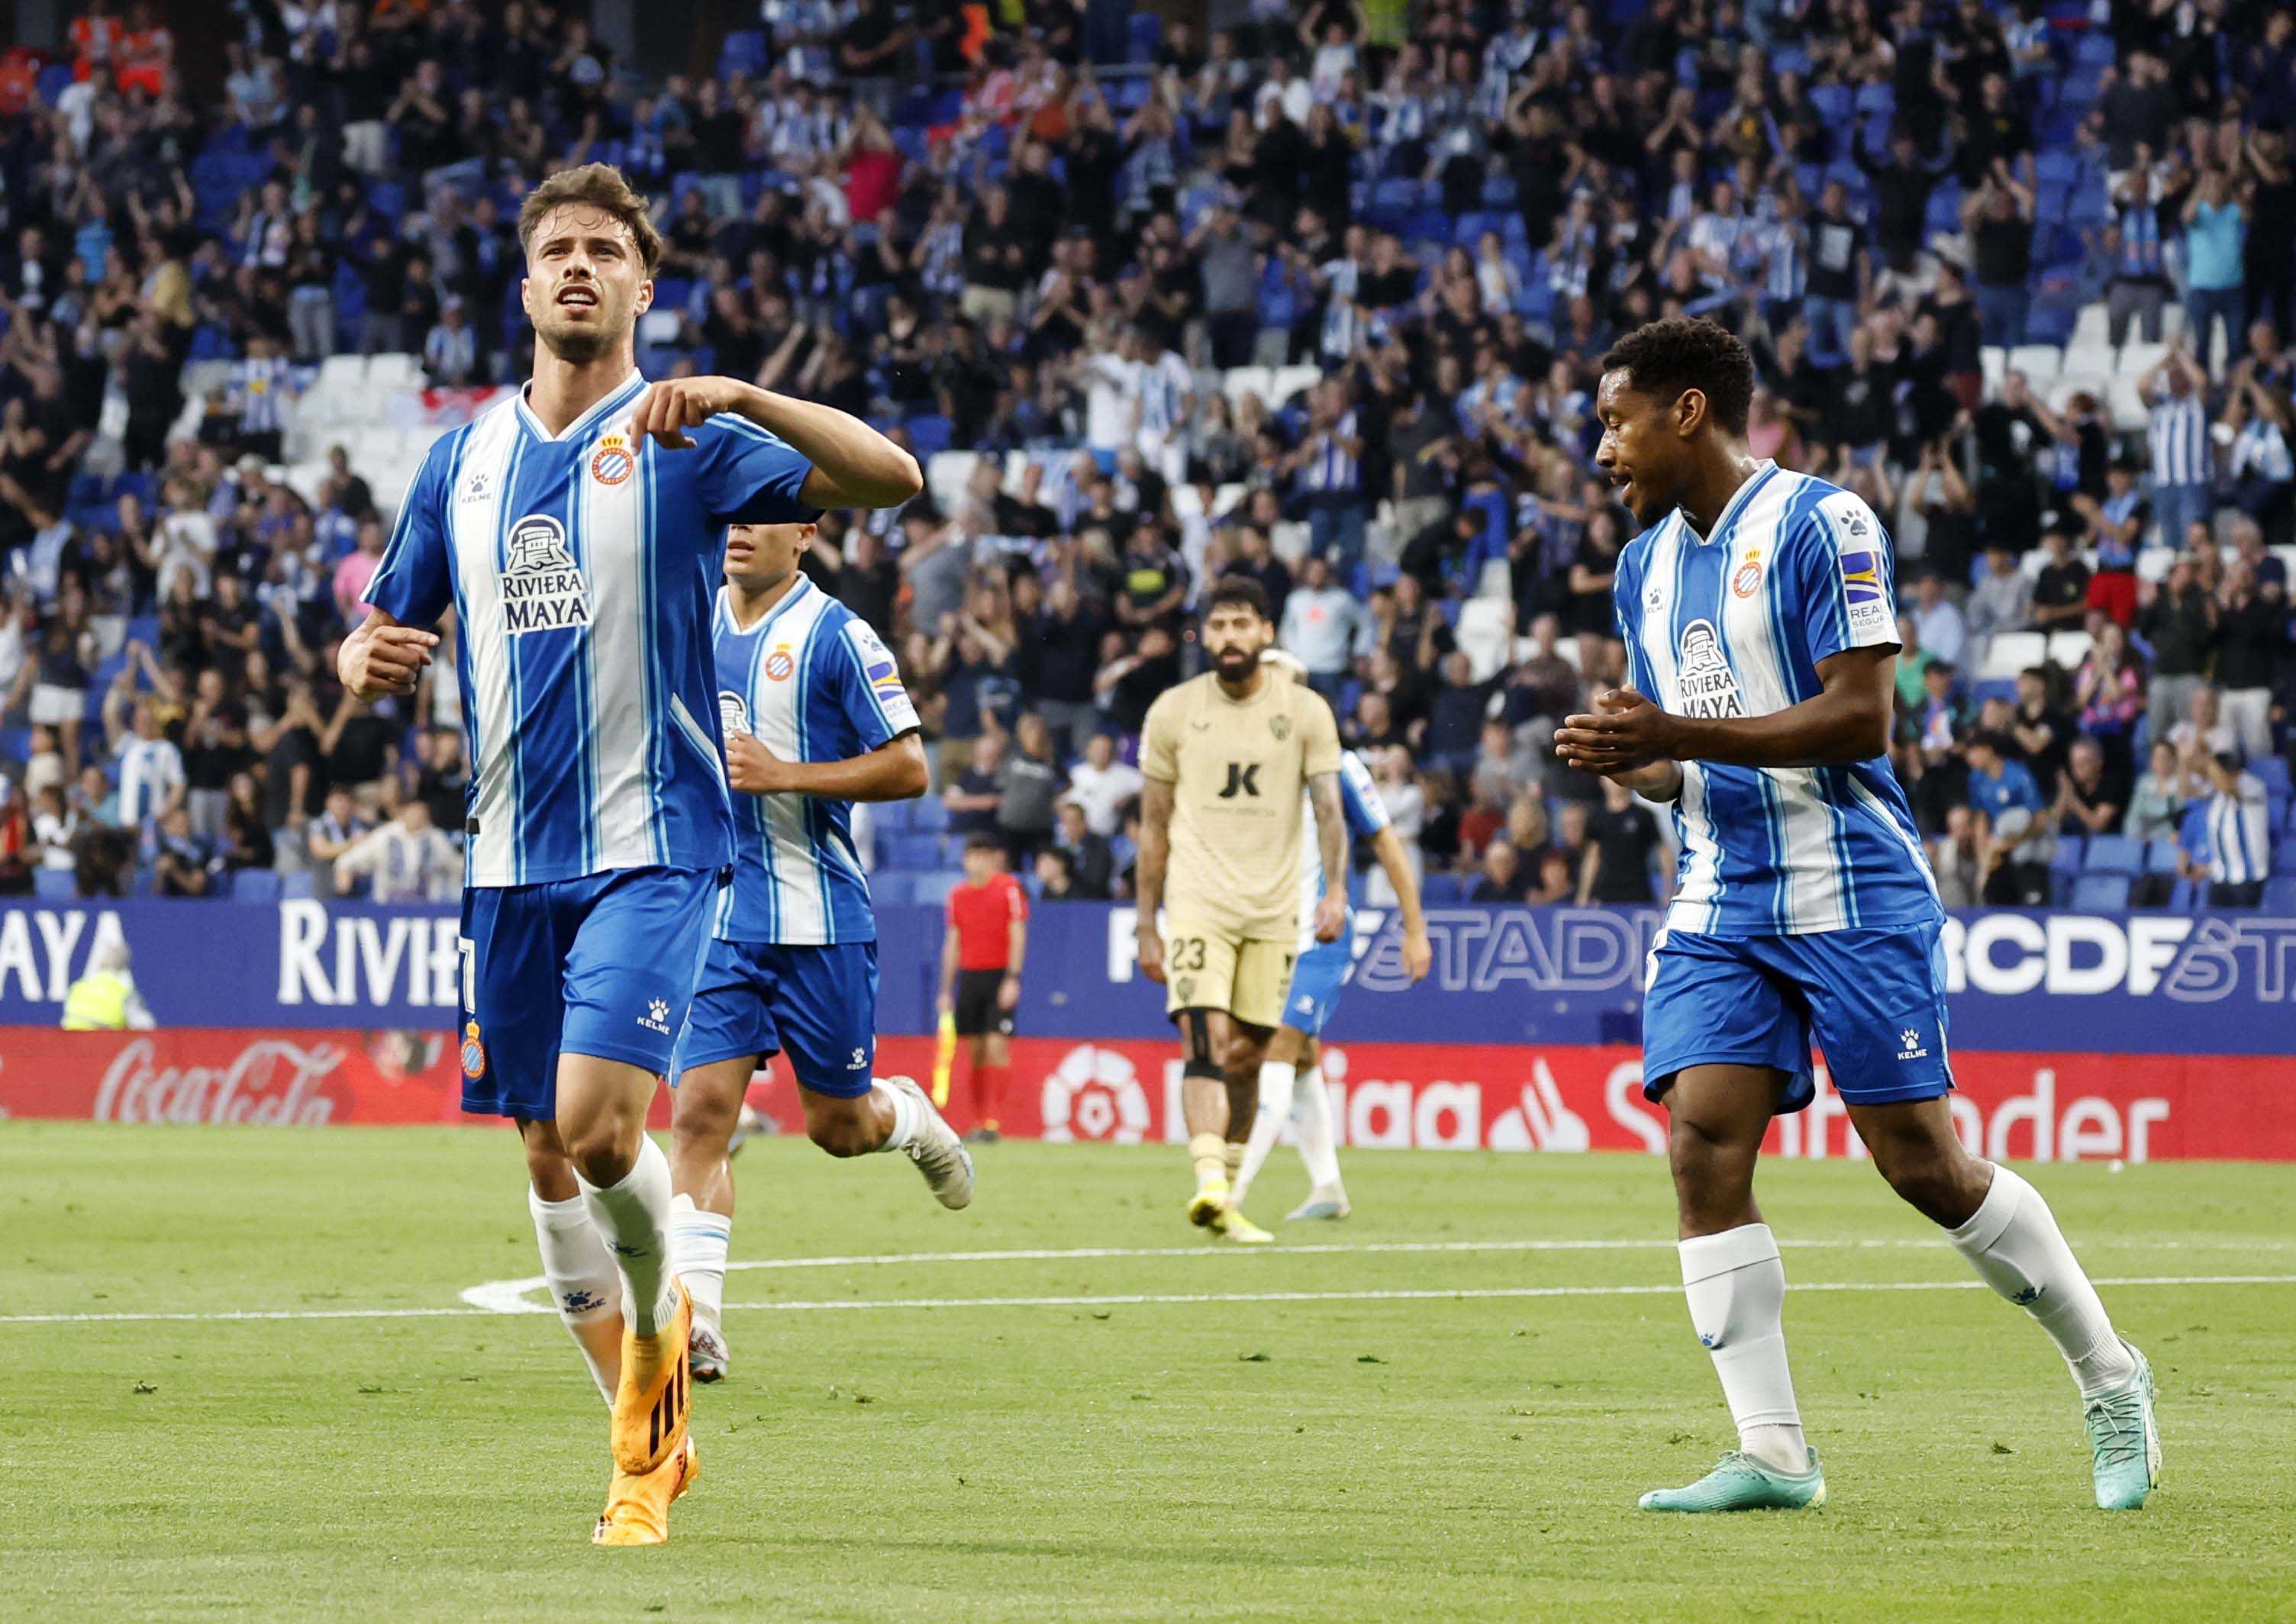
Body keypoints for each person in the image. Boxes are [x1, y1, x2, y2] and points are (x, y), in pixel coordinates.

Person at [339, 163, 921, 1548]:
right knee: (548, 1154)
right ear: (525, 285)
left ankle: (650, 1409)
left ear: (642, 288)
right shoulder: (463, 460)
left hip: (654, 845)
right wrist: (361, 658)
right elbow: (381, 624)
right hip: (504, 858)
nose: (580, 267)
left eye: (607, 250)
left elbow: (890, 480)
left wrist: (741, 395)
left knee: (605, 1132)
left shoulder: (684, 436)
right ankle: (652, 1435)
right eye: (559, 249)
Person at [1556, 318, 2154, 1516]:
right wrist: (1637, 762)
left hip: (1852, 890)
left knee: (1921, 1163)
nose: (1602, 450)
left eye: (1616, 421)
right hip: (1722, 891)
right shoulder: (1641, 569)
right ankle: (1774, 1452)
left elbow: (1860, 719)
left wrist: (1674, 733)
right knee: (1701, 1145)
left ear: (1687, 411)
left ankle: (2110, 1373)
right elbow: (1687, 755)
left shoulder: (1823, 523)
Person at [666, 519, 969, 1388]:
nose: (738, 529)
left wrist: (785, 774)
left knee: (839, 1130)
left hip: (819, 918)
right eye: (730, 513)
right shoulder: (684, 616)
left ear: (803, 534)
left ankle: (905, 1115)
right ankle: (699, 1322)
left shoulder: (837, 635)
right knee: (700, 1116)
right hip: (716, 914)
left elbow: (909, 768)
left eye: (761, 514)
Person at [1135, 576, 1349, 1242]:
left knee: (1250, 1054)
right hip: (1198, 903)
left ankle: (1223, 1197)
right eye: (1219, 625)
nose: (1229, 637)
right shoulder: (1173, 712)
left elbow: (1330, 811)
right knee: (1205, 1037)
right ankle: (1208, 1179)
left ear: (1266, 631)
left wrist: (1336, 892)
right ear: (1204, 635)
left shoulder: (1306, 711)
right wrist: (1147, 923)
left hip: (1276, 909)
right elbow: (1153, 825)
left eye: (1241, 624)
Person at [1231, 650, 1433, 1226]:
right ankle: (1327, 1186)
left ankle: (1228, 1193)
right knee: (1301, 1060)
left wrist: (1415, 928)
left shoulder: (1337, 765)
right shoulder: (1247, 768)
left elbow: (1386, 842)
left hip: (1320, 936)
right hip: (1266, 937)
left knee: (1275, 1049)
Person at [937, 833, 1030, 1141]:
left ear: (992, 858)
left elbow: (1017, 933)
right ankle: (978, 1121)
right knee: (975, 1051)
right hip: (970, 977)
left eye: (982, 855)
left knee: (996, 1046)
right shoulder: (958, 895)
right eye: (971, 856)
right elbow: (953, 942)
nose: (976, 862)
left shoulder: (1008, 889)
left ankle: (996, 1120)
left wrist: (1013, 978)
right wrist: (946, 989)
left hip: (998, 975)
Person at [331, 796, 461, 903]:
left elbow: (456, 865)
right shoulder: (385, 836)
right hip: (388, 906)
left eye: (422, 814)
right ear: (403, 814)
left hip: (426, 907)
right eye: (413, 813)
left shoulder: (436, 838)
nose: (417, 818)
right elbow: (349, 860)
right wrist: (344, 870)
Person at [2185, 752, 2272, 907]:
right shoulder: (2218, 796)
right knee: (2213, 920)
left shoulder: (2252, 785)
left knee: (2242, 921)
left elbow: (2230, 787)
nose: (2211, 776)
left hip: (2247, 878)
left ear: (2227, 770)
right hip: (2220, 878)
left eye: (2214, 772)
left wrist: (2212, 767)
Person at [59, 938, 156, 1030]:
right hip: (102, 1039)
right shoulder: (123, 991)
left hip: (70, 1039)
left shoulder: (80, 986)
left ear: (101, 963)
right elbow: (145, 1025)